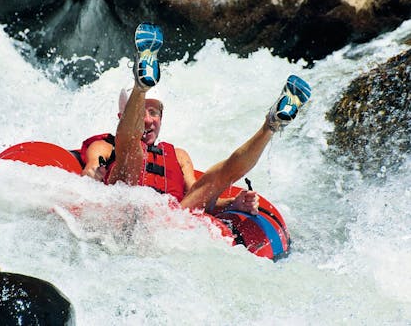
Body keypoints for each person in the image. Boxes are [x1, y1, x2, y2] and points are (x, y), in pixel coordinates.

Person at [79, 22, 311, 216]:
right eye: (142, 113)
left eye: (155, 112)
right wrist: (92, 175)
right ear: (124, 117)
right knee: (132, 150)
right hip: (123, 205)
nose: (149, 120)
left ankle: (271, 124)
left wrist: (233, 203)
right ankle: (141, 86)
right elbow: (91, 169)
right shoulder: (105, 146)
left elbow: (199, 197)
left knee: (220, 176)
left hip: (167, 224)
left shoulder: (178, 156)